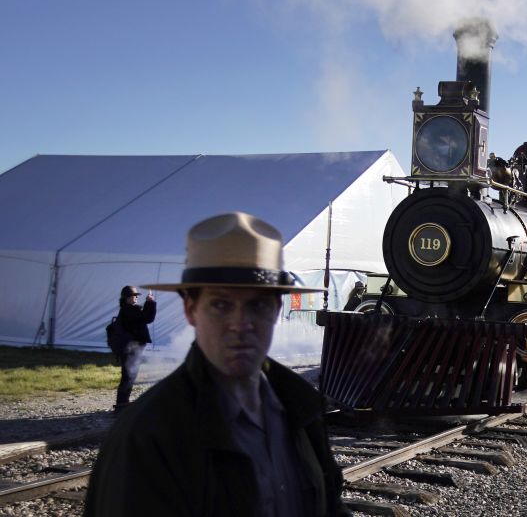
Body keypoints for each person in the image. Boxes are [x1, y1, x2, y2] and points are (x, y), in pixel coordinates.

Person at [85, 212, 351, 517]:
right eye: (221, 304)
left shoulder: (302, 409)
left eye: (258, 304)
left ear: (277, 310)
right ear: (191, 309)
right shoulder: (145, 436)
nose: (240, 324)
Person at [113, 285, 156, 412]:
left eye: (136, 295)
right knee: (128, 376)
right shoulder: (128, 310)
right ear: (126, 298)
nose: (136, 297)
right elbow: (147, 318)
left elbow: (145, 318)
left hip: (132, 348)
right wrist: (150, 303)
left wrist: (149, 303)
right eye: (133, 295)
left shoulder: (129, 309)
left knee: (129, 375)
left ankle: (123, 403)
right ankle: (121, 405)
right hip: (131, 348)